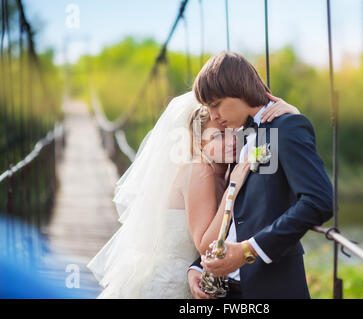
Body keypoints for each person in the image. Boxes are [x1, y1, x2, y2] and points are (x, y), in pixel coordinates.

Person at [86, 90, 300, 298]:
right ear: (199, 142)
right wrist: (232, 191)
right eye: (218, 136)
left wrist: (291, 114)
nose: (232, 141)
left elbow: (275, 153)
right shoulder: (199, 170)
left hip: (191, 276)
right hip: (171, 282)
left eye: (235, 133)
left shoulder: (224, 170)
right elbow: (205, 245)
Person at [187, 51, 334, 299]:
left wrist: (248, 251)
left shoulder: (286, 126)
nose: (213, 116)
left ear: (237, 91)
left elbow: (319, 201)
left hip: (273, 288)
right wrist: (199, 266)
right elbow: (239, 217)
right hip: (226, 292)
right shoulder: (243, 136)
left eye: (215, 105)